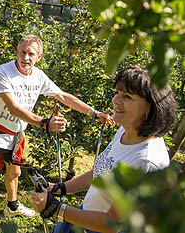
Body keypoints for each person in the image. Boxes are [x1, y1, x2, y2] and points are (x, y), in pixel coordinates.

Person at [0, 35, 113, 218]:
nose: (26, 58)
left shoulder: (39, 76)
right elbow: (13, 108)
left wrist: (94, 113)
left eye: (31, 54)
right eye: (23, 52)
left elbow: (64, 96)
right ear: (17, 52)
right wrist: (45, 123)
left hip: (18, 133)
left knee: (14, 172)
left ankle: (12, 207)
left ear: (39, 57)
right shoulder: (2, 72)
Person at [30, 65, 177, 232]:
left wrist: (56, 209)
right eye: (117, 93)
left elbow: (112, 224)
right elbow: (102, 171)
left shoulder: (146, 161)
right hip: (85, 217)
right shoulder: (126, 129)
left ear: (151, 107)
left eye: (127, 96)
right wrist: (61, 188)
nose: (116, 101)